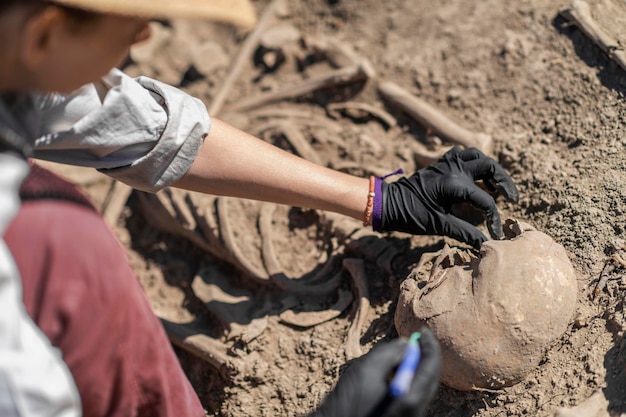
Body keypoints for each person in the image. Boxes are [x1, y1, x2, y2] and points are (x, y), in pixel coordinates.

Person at [0, 0, 519, 416]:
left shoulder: (19, 73)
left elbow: (146, 130)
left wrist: (380, 199)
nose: (144, 39)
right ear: (43, 34)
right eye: (135, 22)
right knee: (60, 241)